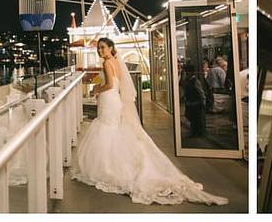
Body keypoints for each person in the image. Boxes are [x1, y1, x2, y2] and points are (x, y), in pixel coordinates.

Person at [72, 38, 227, 205]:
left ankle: (107, 168)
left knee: (107, 130)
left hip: (109, 99)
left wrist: (96, 89)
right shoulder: (116, 62)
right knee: (112, 130)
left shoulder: (107, 63)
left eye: (102, 47)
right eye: (98, 48)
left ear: (110, 48)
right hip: (114, 100)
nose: (100, 51)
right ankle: (110, 165)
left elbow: (109, 84)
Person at [180, 59, 209, 137]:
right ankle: (194, 132)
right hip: (192, 103)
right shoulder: (189, 80)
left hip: (196, 103)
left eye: (186, 72)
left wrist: (203, 102)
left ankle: (197, 132)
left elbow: (201, 92)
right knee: (193, 118)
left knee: (196, 119)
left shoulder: (195, 81)